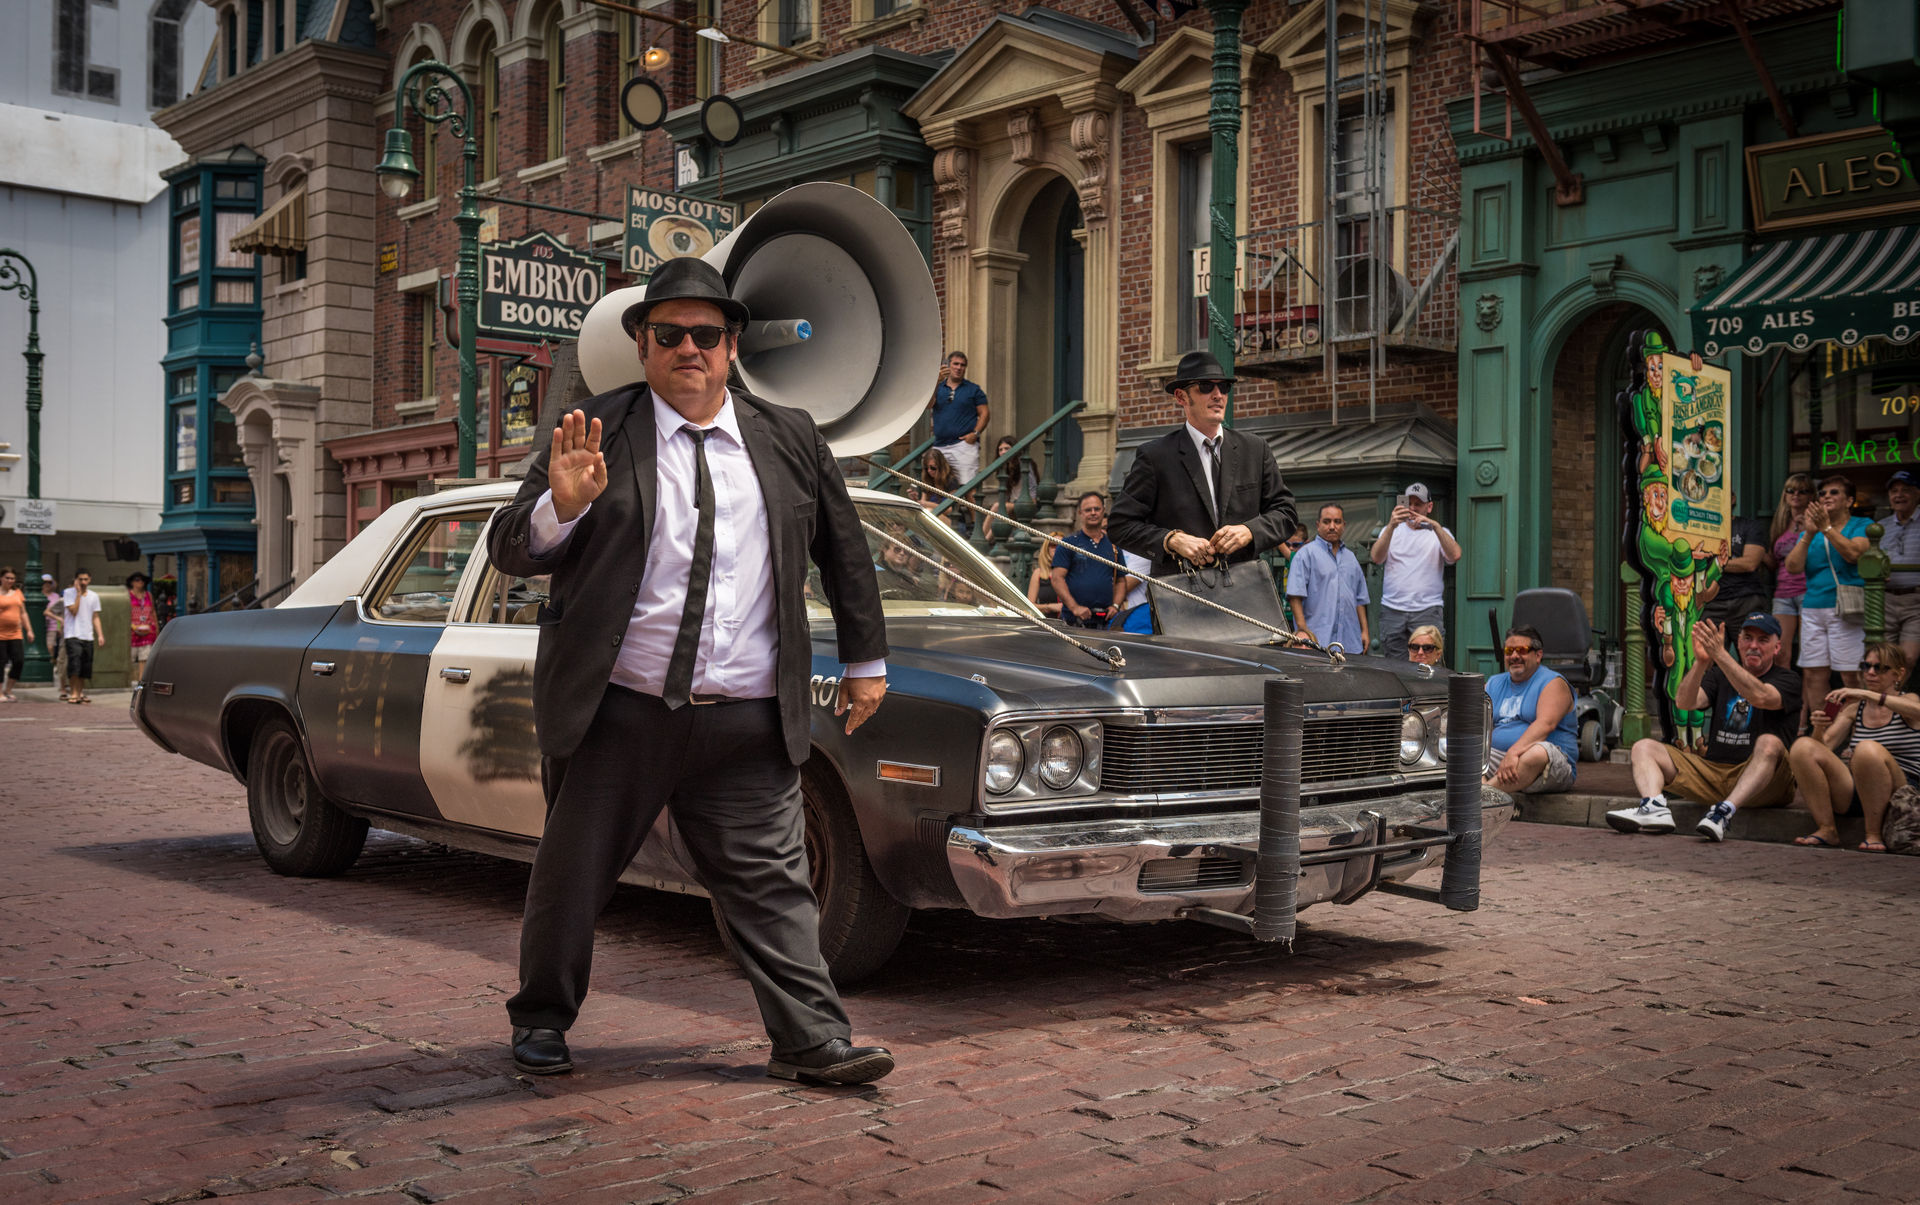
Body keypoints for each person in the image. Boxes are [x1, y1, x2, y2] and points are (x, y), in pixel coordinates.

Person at [484, 255, 894, 1085]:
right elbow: (509, 546)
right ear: (642, 346)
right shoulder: (593, 428)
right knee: (572, 875)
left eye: (706, 334)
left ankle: (811, 1038)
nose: (689, 349)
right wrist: (562, 507)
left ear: (733, 346)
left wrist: (866, 660)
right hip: (620, 709)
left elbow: (844, 552)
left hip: (745, 716)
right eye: (668, 334)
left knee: (775, 885)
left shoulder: (791, 437)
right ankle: (541, 1018)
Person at [1608, 614, 1800, 840]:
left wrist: (1721, 655)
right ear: (1738, 642)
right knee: (1643, 747)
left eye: (1763, 640)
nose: (1753, 646)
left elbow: (1761, 697)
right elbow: (1684, 702)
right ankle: (1654, 807)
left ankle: (1723, 812)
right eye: (1748, 638)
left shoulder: (1789, 680)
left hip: (1767, 785)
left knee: (1769, 743)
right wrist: (1701, 663)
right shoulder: (1719, 675)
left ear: (1777, 647)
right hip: (1714, 775)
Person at [1108, 349, 1297, 580]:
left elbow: (1286, 513)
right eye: (1206, 387)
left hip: (1245, 588)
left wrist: (1249, 530)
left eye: (1224, 387)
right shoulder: (1155, 456)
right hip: (1182, 590)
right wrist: (1171, 540)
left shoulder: (1255, 449)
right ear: (1181, 397)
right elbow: (1120, 525)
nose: (1218, 395)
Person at [1788, 642, 1920, 853]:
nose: (1870, 672)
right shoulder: (1854, 709)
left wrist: (1866, 694)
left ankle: (1873, 834)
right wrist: (1819, 728)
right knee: (1803, 747)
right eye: (1866, 666)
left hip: (1901, 792)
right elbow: (1823, 748)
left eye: (1879, 668)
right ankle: (1826, 829)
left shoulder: (1908, 699)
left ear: (1898, 674)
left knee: (1867, 749)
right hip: (1859, 790)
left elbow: (1916, 711)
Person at [1784, 473, 1871, 710]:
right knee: (1813, 673)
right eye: (1822, 493)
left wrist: (1827, 528)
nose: (1826, 497)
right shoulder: (1811, 531)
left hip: (1844, 608)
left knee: (1851, 674)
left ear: (1849, 500)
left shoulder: (1861, 525)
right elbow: (1792, 567)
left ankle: (1855, 728)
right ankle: (1822, 727)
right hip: (1813, 607)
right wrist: (1810, 533)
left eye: (1834, 492)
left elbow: (1853, 554)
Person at [1369, 482, 1461, 659]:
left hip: (1427, 610)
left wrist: (1435, 526)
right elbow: (1376, 558)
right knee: (1394, 666)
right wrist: (1391, 526)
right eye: (1408, 503)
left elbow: (1455, 555)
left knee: (1428, 663)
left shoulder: (1439, 532)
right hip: (1393, 609)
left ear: (1429, 507)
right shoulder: (1390, 530)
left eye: (1418, 504)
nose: (1412, 508)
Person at [1484, 624, 1577, 795]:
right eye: (1509, 651)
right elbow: (1477, 726)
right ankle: (1486, 793)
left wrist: (1513, 753)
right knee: (1461, 749)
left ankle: (1483, 797)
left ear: (1538, 655)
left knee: (1537, 753)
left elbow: (1546, 724)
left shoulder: (1553, 682)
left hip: (1548, 764)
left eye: (1521, 650)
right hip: (1501, 760)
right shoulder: (1494, 683)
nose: (1514, 656)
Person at [1287, 503, 1370, 654]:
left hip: (1350, 642)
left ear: (1344, 525)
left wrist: (1364, 631)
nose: (1332, 526)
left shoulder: (1351, 558)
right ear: (1318, 525)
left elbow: (1360, 599)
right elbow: (1295, 596)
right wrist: (1303, 632)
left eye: (1337, 522)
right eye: (1326, 521)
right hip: (1317, 642)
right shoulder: (1305, 554)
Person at [1703, 490, 1773, 637]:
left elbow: (1750, 563)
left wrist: (1714, 564)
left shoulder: (1749, 526)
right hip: (1710, 602)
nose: (1715, 500)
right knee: (1706, 651)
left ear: (1733, 499)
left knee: (1752, 649)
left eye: (1720, 496)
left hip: (1746, 599)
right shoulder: (1699, 529)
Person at [1875, 469, 1920, 684]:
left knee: (1908, 657)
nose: (1899, 495)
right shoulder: (1881, 527)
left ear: (1917, 493)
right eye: (1894, 491)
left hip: (1915, 601)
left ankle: (1893, 699)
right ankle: (1888, 700)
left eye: (1905, 490)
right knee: (1884, 659)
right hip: (1886, 599)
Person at [1051, 492, 1121, 628]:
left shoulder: (1113, 546)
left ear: (1103, 511)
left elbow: (1121, 580)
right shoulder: (1068, 543)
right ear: (1080, 513)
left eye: (1097, 509)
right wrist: (1074, 607)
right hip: (1074, 621)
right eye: (1088, 510)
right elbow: (1057, 578)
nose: (1093, 513)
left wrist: (1116, 605)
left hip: (1106, 622)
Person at [1769, 474, 1814, 675]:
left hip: (1808, 590)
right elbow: (1773, 561)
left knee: (1809, 653)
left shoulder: (1815, 523)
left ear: (1811, 496)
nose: (1796, 495)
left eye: (1802, 491)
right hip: (1783, 593)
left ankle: (1806, 696)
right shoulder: (1780, 523)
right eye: (1791, 490)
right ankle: (1784, 692)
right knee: (1779, 652)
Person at [928, 350, 989, 488]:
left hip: (964, 447)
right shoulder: (938, 388)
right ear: (948, 365)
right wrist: (936, 382)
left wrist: (975, 434)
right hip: (940, 446)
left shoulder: (973, 389)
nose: (959, 368)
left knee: (968, 488)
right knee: (939, 487)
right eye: (955, 364)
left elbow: (985, 414)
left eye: (962, 365)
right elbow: (929, 405)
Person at [982, 435, 1039, 540]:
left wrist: (1032, 501)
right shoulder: (1005, 467)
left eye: (1007, 448)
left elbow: (1033, 487)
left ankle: (984, 540)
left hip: (1027, 503)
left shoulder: (1024, 463)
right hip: (1013, 504)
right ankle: (984, 539)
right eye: (1000, 450)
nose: (1003, 452)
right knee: (1001, 511)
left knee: (997, 507)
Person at [61, 569, 103, 704]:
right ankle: (73, 693)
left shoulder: (94, 596)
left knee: (85, 667)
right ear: (76, 580)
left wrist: (100, 635)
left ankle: (79, 693)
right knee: (74, 665)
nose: (83, 582)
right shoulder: (68, 593)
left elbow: (95, 616)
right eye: (80, 579)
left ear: (89, 580)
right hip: (72, 634)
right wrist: (78, 594)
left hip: (88, 635)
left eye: (85, 579)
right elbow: (73, 611)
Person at [127, 572, 158, 685]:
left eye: (142, 580)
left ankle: (141, 682)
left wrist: (156, 628)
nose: (140, 582)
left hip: (147, 630)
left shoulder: (148, 595)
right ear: (132, 582)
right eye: (137, 580)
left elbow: (153, 611)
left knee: (144, 658)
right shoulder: (127, 595)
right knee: (129, 657)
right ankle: (128, 680)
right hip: (132, 631)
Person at [0, 566, 23, 701]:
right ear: (1, 578)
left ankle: (8, 689)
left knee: (19, 661)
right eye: (7, 578)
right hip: (0, 634)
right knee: (1, 662)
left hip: (15, 633)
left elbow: (23, 613)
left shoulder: (18, 593)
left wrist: (29, 630)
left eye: (12, 578)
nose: (10, 580)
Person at [41, 573, 66, 697]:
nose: (47, 585)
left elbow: (60, 613)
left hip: (52, 625)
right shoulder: (37, 595)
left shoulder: (56, 596)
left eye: (49, 582)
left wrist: (59, 624)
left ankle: (50, 667)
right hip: (39, 625)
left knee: (50, 647)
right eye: (45, 582)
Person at [1027, 540, 1062, 618]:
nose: (1057, 548)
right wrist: (1048, 607)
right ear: (1046, 549)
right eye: (1053, 545)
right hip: (1047, 621)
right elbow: (1029, 605)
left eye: (1061, 545)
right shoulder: (1038, 573)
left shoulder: (1073, 572)